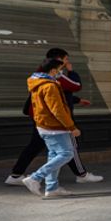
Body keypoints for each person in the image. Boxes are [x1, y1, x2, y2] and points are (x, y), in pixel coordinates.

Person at [6, 47, 103, 186]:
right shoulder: (53, 75)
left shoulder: (39, 76)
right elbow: (74, 87)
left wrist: (76, 100)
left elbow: (56, 96)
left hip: (41, 117)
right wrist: (71, 71)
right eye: (66, 60)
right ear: (58, 61)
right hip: (53, 120)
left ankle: (23, 177)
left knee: (45, 148)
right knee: (67, 150)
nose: (67, 62)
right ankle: (37, 178)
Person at [21, 59, 81, 198]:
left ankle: (52, 188)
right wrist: (72, 127)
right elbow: (57, 109)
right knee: (67, 153)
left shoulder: (37, 83)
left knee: (54, 155)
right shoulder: (50, 86)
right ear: (53, 70)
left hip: (44, 125)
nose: (61, 73)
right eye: (60, 70)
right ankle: (35, 178)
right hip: (55, 126)